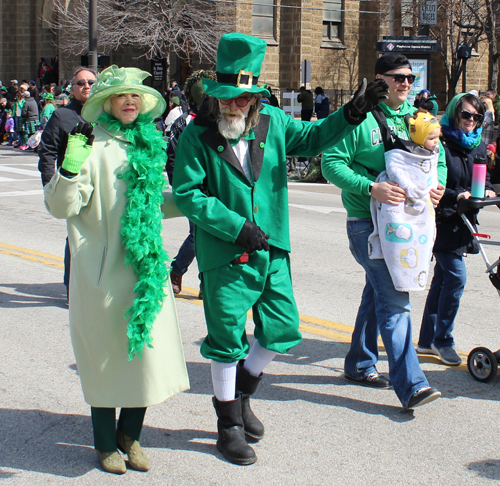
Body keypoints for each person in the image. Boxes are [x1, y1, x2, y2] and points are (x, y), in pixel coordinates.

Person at [173, 32, 388, 465]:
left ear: (255, 96)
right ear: (217, 95)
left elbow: (313, 137)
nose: (238, 106)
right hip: (226, 254)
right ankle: (227, 425)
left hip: (273, 250)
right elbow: (187, 193)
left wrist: (351, 113)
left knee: (282, 330)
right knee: (226, 341)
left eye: (245, 98)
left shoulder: (271, 121)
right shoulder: (198, 134)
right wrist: (235, 227)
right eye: (230, 98)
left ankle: (243, 396)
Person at [43, 64, 189, 475]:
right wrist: (70, 167)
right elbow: (60, 207)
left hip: (144, 269)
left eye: (135, 95)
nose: (129, 100)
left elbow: (154, 204)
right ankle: (105, 442)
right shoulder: (91, 145)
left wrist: (192, 199)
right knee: (105, 358)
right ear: (106, 102)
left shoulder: (148, 145)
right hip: (102, 273)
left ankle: (131, 434)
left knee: (144, 353)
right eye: (120, 94)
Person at [321, 52, 447, 410]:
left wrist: (437, 185)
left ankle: (359, 363)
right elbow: (330, 163)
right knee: (396, 299)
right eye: (398, 77)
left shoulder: (415, 119)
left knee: (378, 292)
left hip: (406, 225)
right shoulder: (358, 120)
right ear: (380, 79)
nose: (405, 83)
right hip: (367, 225)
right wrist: (369, 188)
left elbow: (436, 157)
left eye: (409, 77)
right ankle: (412, 385)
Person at [417, 93, 496, 365]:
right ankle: (443, 340)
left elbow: (484, 178)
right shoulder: (441, 143)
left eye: (477, 117)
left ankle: (427, 341)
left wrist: (487, 190)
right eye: (466, 115)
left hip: (465, 222)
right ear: (454, 113)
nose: (471, 121)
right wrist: (456, 195)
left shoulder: (476, 146)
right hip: (443, 221)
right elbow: (431, 182)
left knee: (441, 281)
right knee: (456, 278)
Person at [38, 66, 97, 300]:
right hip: (73, 185)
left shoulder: (107, 113)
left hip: (102, 186)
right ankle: (72, 289)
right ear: (72, 89)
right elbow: (47, 152)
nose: (87, 86)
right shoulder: (62, 116)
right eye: (81, 83)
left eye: (91, 82)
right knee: (76, 237)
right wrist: (51, 187)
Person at [368, 109, 441, 292]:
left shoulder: (434, 152)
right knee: (392, 300)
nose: (436, 143)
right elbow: (396, 169)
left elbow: (437, 168)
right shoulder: (400, 154)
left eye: (438, 138)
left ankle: (416, 278)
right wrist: (410, 188)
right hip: (399, 208)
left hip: (424, 210)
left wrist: (439, 187)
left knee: (377, 295)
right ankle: (405, 281)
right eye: (432, 138)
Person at [166, 70, 216, 297]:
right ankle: (177, 270)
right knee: (198, 235)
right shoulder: (183, 123)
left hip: (219, 189)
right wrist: (181, 187)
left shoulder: (224, 120)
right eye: (203, 96)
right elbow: (172, 158)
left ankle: (207, 281)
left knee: (215, 236)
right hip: (194, 191)